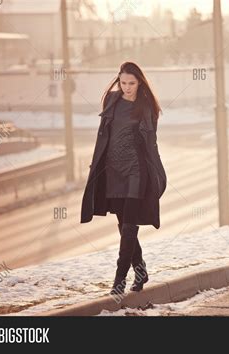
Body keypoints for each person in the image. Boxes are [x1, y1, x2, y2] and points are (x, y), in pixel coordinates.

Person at [80, 61, 167, 296]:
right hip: (113, 170)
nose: (127, 87)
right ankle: (140, 270)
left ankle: (119, 280)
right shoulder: (112, 100)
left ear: (140, 82)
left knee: (129, 226)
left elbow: (151, 143)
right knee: (123, 225)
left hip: (136, 171)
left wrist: (157, 171)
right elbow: (104, 135)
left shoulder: (146, 106)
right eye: (123, 82)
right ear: (118, 81)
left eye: (132, 83)